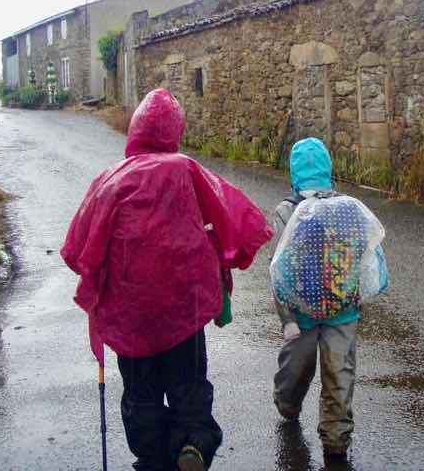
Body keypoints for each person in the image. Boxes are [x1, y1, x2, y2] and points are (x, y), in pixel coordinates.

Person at [61, 88, 273, 471]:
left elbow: (78, 248)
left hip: (130, 314)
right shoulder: (186, 170)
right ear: (176, 130)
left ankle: (151, 456)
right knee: (188, 384)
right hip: (183, 308)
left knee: (140, 391)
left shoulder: (111, 180)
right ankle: (192, 443)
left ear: (136, 129)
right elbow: (235, 214)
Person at [270, 137, 388, 466]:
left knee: (312, 370)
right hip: (335, 310)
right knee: (333, 372)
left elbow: (277, 270)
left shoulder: (294, 210)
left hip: (314, 314)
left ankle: (319, 427)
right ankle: (310, 420)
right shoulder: (341, 208)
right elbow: (364, 255)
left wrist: (287, 317)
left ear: (293, 175)